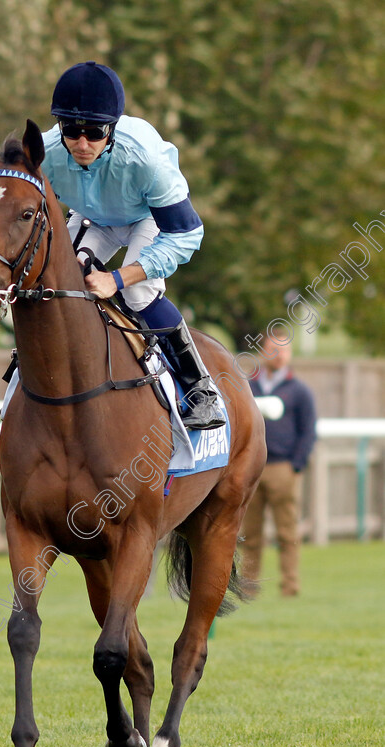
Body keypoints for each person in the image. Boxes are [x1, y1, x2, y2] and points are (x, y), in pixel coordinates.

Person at [41, 60, 225, 430]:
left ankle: (201, 390)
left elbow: (188, 234)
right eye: (71, 130)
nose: (81, 143)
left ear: (111, 128)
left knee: (138, 295)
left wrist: (119, 279)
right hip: (95, 217)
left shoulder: (146, 159)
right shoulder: (45, 152)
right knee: (63, 278)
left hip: (148, 217)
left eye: (93, 132)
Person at [241, 334, 317, 596]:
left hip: (283, 469)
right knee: (249, 533)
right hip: (251, 470)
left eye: (285, 350)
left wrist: (296, 465)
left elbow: (308, 431)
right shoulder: (247, 386)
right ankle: (249, 587)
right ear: (263, 351)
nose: (280, 355)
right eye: (274, 349)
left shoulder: (299, 390)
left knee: (287, 533)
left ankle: (290, 586)